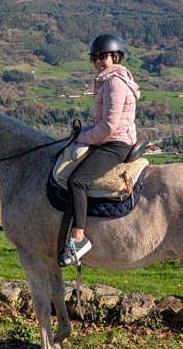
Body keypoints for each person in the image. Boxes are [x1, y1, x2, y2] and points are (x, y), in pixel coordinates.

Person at [59, 33, 140, 266]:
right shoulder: (108, 80)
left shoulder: (114, 83)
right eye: (94, 57)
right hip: (112, 138)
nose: (98, 61)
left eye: (102, 56)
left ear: (116, 57)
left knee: (77, 181)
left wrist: (82, 137)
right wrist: (81, 133)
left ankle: (79, 238)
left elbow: (108, 126)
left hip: (115, 143)